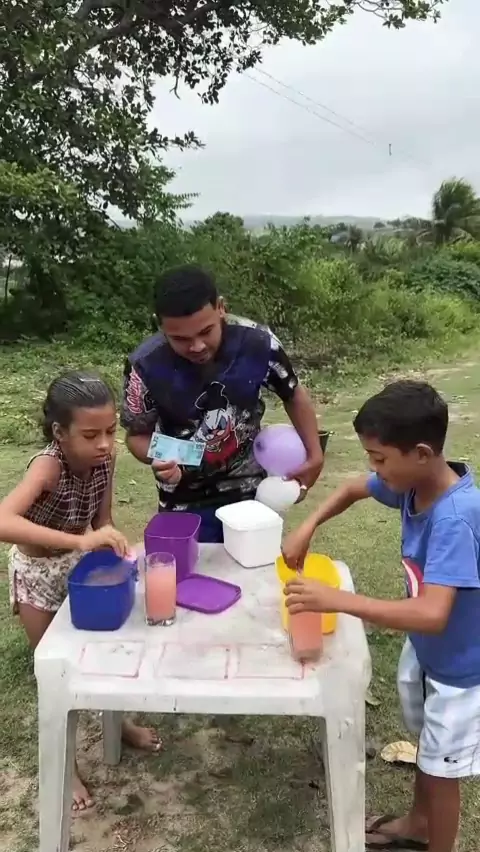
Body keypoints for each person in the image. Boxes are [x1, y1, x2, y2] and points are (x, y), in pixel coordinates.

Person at [282, 380, 480, 852]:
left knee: (442, 769)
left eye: (380, 458)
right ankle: (416, 824)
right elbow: (353, 488)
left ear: (422, 454)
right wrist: (308, 526)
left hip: (463, 673)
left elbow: (432, 613)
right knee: (429, 750)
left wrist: (336, 599)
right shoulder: (416, 486)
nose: (374, 469)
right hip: (431, 654)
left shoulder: (455, 517)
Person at [0, 372, 161, 813]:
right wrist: (80, 540)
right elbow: (3, 520)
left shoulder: (106, 459)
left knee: (104, 655)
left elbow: (101, 520)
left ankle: (119, 724)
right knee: (58, 673)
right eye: (91, 435)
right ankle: (67, 767)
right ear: (60, 432)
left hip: (81, 566)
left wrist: (109, 541)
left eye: (111, 430)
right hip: (38, 576)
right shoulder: (47, 466)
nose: (105, 444)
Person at [121, 265, 323, 541]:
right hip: (182, 499)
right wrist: (165, 458)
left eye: (206, 331)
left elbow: (293, 394)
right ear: (160, 324)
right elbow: (137, 436)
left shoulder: (258, 343)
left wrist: (315, 454)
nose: (197, 346)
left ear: (221, 308)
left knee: (253, 564)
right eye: (180, 339)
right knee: (188, 569)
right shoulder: (145, 365)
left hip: (250, 493)